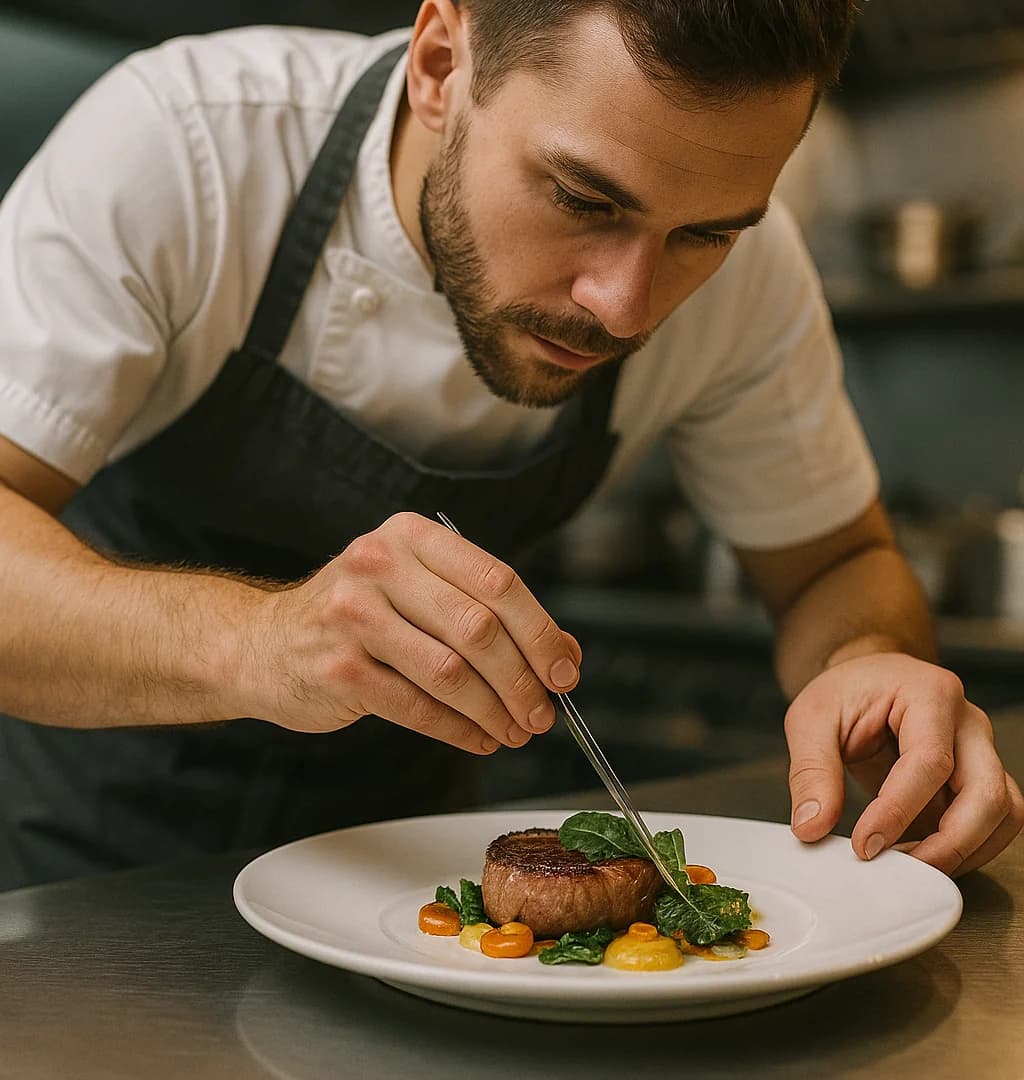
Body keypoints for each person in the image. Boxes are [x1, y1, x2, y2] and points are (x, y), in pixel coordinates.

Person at [0, 0, 1019, 892]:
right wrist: (262, 643)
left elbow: (833, 566)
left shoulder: (751, 282)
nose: (622, 306)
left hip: (419, 890)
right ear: (441, 63)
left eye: (703, 235)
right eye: (583, 200)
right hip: (84, 865)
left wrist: (867, 662)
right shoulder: (187, 149)